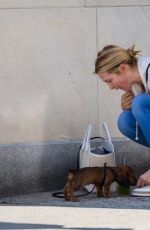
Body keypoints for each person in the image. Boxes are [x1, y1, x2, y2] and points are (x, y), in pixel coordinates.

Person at [94, 44, 150, 188]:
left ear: (123, 68)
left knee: (140, 103)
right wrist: (132, 108)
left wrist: (139, 105)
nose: (111, 87)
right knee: (125, 121)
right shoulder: (137, 85)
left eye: (109, 81)